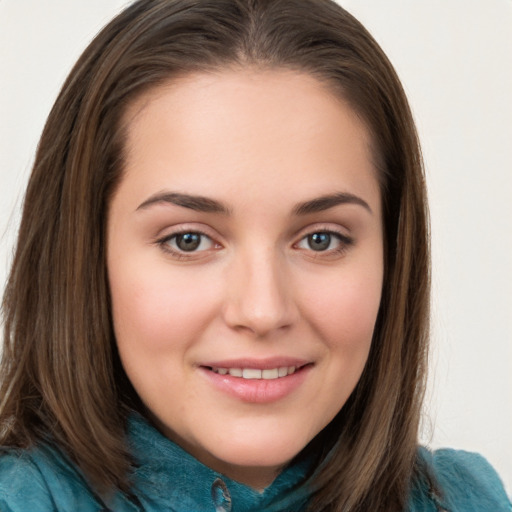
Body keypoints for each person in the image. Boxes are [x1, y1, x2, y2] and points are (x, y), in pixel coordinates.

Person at [0, 0, 510, 510]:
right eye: (188, 240)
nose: (263, 311)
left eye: (320, 239)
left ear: (393, 257)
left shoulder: (466, 500)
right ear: (86, 256)